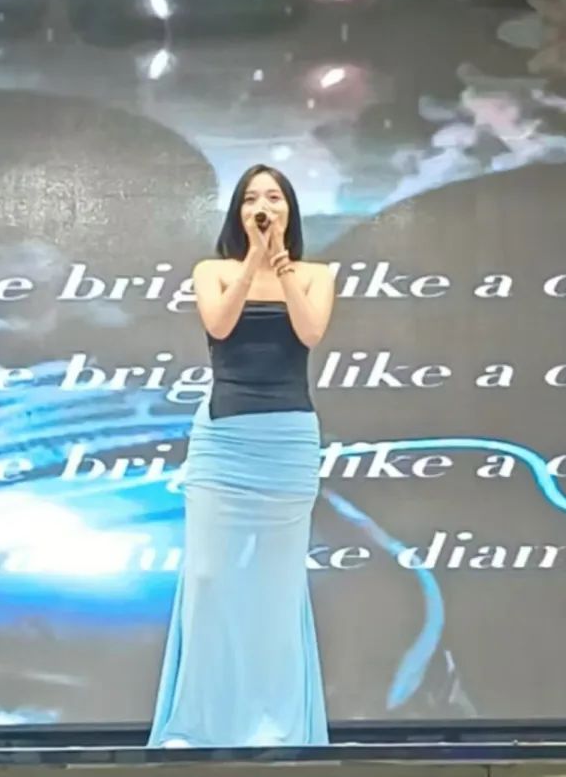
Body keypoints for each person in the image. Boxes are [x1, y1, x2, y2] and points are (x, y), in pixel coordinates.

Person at [148, 164, 336, 748]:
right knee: (208, 580)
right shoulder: (214, 271)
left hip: (287, 441)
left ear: (289, 210)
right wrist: (254, 260)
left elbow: (310, 333)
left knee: (277, 588)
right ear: (238, 212)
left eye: (274, 197)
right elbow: (220, 324)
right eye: (253, 198)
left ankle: (275, 727)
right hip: (223, 442)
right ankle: (199, 725)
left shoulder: (315, 275)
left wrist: (282, 265)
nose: (264, 206)